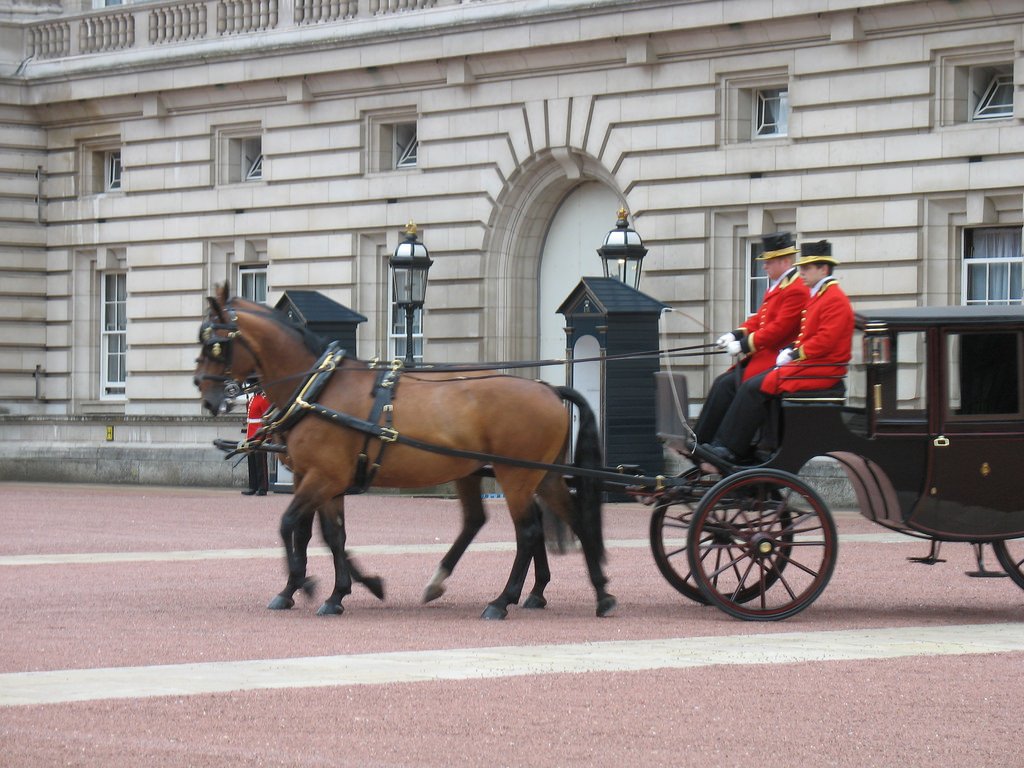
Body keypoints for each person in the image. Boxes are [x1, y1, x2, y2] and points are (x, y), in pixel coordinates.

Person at [700, 239, 854, 463]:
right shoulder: (820, 295)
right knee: (740, 384)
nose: (801, 272)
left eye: (807, 268)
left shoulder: (834, 299)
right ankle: (719, 442)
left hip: (821, 369)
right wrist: (737, 334)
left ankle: (731, 447)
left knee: (753, 387)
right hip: (809, 363)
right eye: (801, 267)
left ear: (823, 268)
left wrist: (794, 353)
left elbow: (824, 340)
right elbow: (806, 334)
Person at [694, 231, 810, 444]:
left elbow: (779, 329)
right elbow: (759, 320)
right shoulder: (779, 286)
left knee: (730, 386)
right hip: (764, 355)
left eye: (768, 262)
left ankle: (721, 444)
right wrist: (735, 334)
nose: (764, 266)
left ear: (784, 262)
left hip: (776, 357)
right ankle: (700, 440)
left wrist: (744, 345)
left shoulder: (796, 289)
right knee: (722, 383)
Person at [242, 389, 270, 496]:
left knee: (260, 462)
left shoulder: (263, 399)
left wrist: (266, 436)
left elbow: (266, 418)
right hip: (250, 435)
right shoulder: (252, 399)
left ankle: (262, 487)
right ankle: (252, 486)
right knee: (252, 461)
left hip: (259, 435)